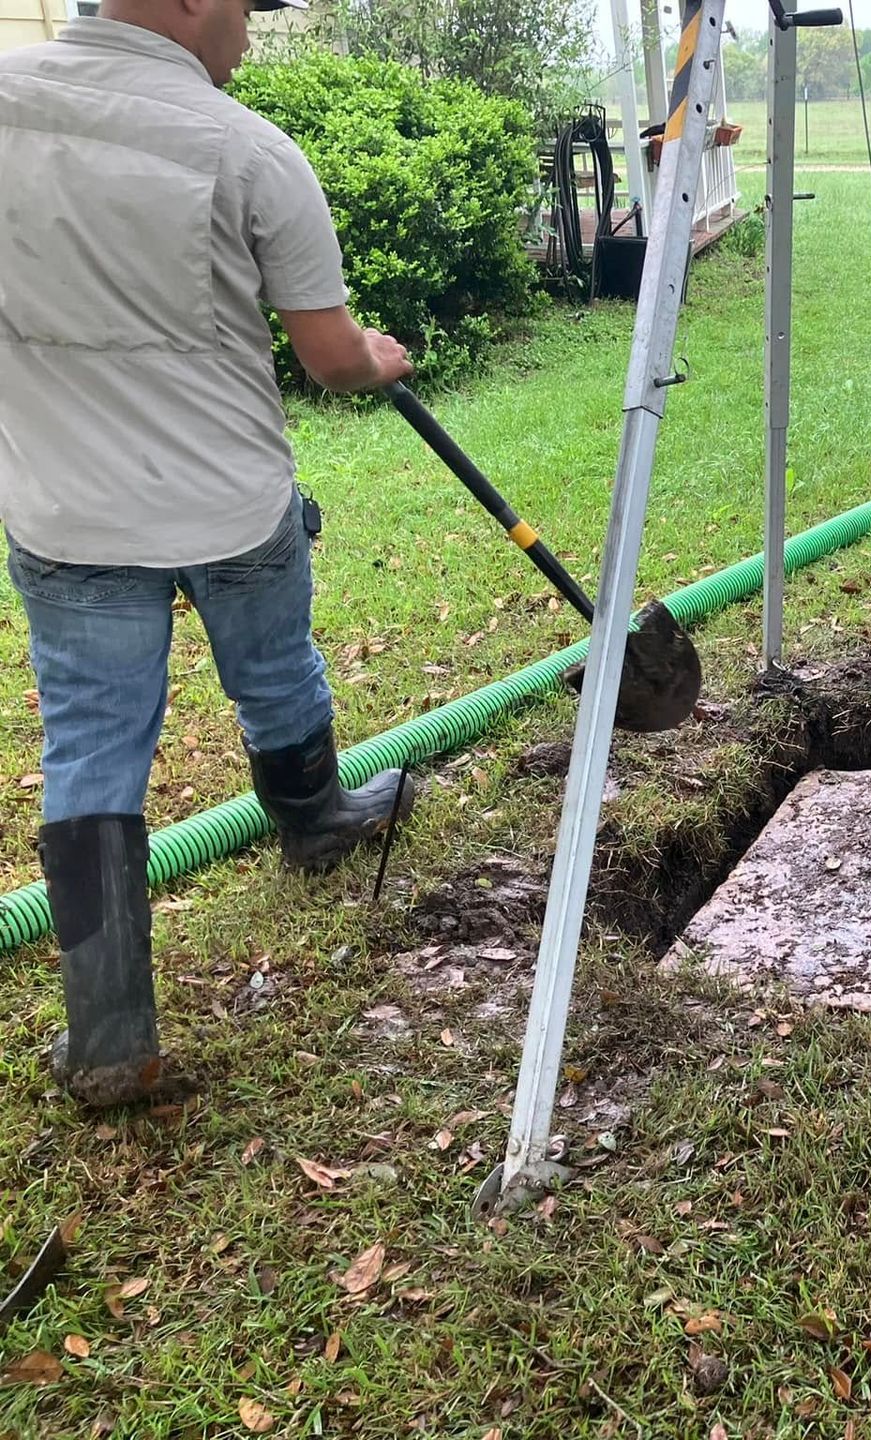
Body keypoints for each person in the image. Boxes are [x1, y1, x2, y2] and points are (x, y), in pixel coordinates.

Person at [0, 0, 418, 1107]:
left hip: (65, 509)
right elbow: (331, 360)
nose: (248, 25)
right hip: (230, 501)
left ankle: (109, 1040)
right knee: (274, 670)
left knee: (91, 743)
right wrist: (382, 353)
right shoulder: (246, 148)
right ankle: (316, 821)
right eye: (242, 4)